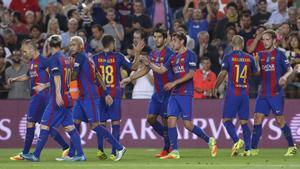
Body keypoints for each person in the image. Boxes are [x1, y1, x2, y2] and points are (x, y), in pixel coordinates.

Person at [141, 32, 217, 159]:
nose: (172, 43)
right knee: (171, 120)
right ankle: (175, 151)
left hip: (185, 93)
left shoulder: (191, 55)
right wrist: (149, 64)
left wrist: (174, 82)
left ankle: (210, 141)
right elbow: (161, 70)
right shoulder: (173, 57)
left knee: (188, 125)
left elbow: (191, 74)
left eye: (174, 40)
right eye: (172, 41)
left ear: (182, 41)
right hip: (174, 93)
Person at [21, 35, 85, 162]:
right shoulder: (66, 59)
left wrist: (58, 94)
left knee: (45, 125)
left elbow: (56, 76)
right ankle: (81, 155)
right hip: (68, 97)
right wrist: (46, 85)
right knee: (70, 128)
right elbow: (68, 77)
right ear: (60, 45)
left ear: (49, 46)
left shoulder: (53, 59)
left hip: (57, 99)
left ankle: (35, 155)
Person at [66, 36, 127, 161]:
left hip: (90, 96)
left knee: (95, 126)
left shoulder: (80, 57)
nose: (71, 47)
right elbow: (98, 76)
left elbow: (73, 77)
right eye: (70, 45)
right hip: (82, 97)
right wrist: (106, 92)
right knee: (75, 122)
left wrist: (69, 67)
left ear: (81, 46)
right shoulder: (89, 59)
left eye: (74, 44)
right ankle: (74, 154)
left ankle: (120, 148)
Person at [8, 39, 70, 160]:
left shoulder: (45, 61)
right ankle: (65, 146)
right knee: (43, 125)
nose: (23, 54)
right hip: (37, 97)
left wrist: (46, 86)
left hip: (44, 97)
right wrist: (15, 79)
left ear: (32, 49)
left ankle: (26, 153)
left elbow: (56, 77)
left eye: (25, 51)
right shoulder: (32, 63)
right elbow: (28, 75)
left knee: (37, 124)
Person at [121, 28, 173, 157]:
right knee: (150, 119)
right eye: (155, 37)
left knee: (166, 121)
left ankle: (167, 148)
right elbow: (144, 69)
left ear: (165, 39)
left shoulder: (170, 54)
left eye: (159, 37)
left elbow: (163, 71)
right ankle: (170, 140)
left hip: (168, 92)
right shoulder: (154, 54)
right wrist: (129, 78)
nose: (156, 39)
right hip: (157, 93)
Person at [92, 34, 140, 160]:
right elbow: (134, 67)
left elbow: (93, 78)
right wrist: (137, 53)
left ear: (103, 44)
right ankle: (114, 153)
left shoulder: (95, 58)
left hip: (101, 93)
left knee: (101, 123)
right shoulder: (118, 56)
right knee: (115, 122)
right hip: (114, 93)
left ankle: (100, 150)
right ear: (112, 44)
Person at [250, 30, 297, 156]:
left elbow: (290, 69)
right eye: (263, 40)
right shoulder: (259, 55)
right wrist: (257, 66)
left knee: (280, 120)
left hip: (276, 93)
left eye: (267, 39)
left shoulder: (280, 54)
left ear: (274, 40)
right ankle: (253, 149)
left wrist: (285, 77)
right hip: (263, 94)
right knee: (257, 119)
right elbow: (257, 73)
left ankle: (292, 147)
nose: (265, 42)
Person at [214, 35, 259, 156]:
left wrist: (215, 86)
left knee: (226, 120)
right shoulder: (249, 58)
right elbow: (256, 73)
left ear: (231, 44)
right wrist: (257, 63)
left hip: (233, 93)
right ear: (243, 44)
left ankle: (237, 140)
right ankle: (248, 150)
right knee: (244, 121)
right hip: (245, 94)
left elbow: (223, 73)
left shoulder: (228, 57)